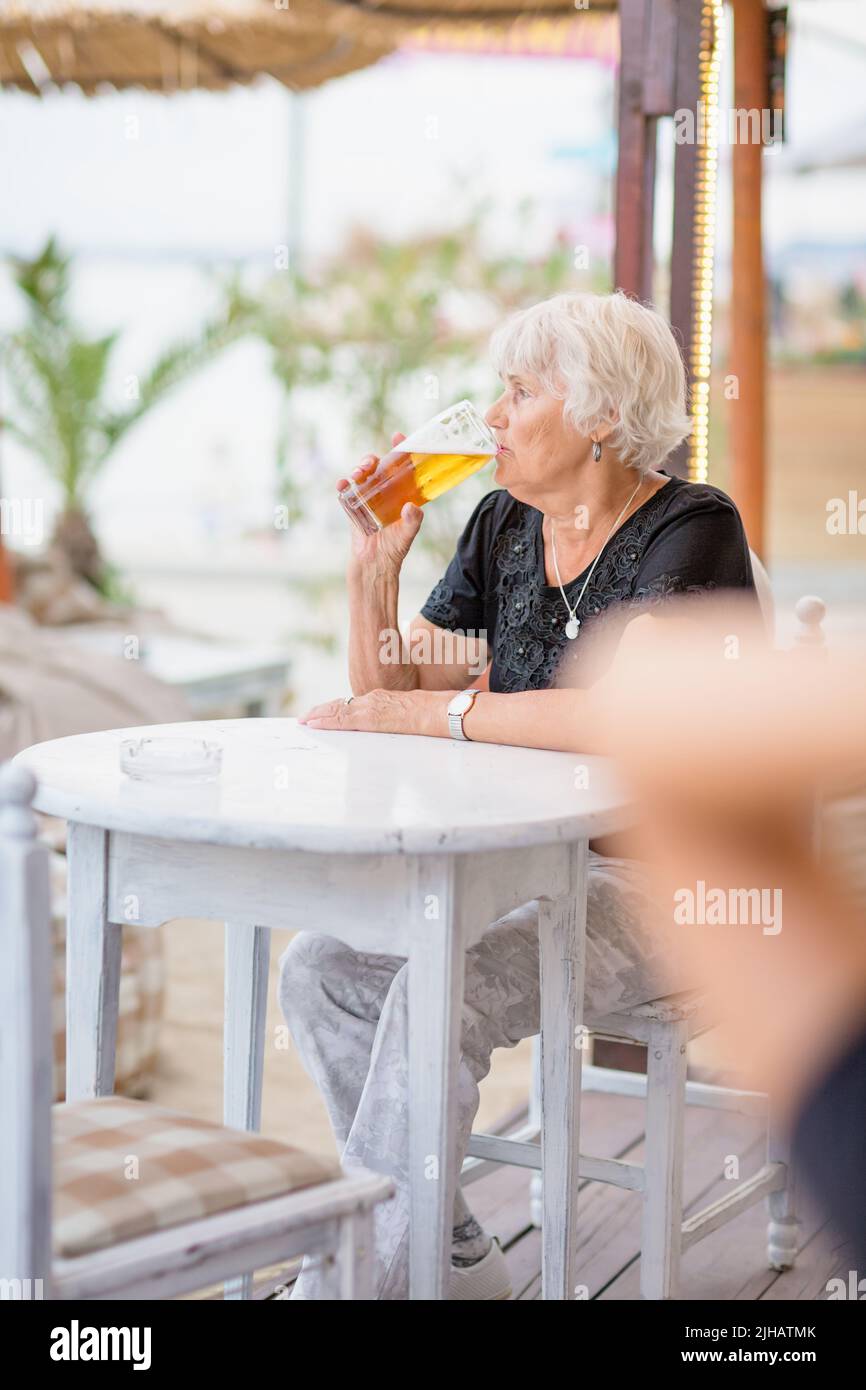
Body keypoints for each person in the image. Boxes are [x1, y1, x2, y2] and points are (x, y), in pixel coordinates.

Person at [282, 290, 758, 1299]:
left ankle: (355, 1286)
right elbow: (387, 692)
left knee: (439, 994)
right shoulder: (504, 523)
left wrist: (436, 712)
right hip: (531, 868)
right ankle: (448, 1251)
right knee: (322, 969)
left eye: (518, 392)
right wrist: (373, 572)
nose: (491, 416)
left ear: (599, 414)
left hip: (670, 888)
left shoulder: (692, 527)